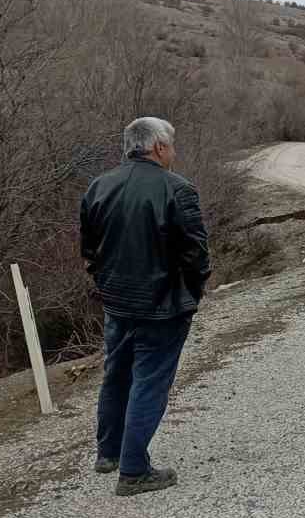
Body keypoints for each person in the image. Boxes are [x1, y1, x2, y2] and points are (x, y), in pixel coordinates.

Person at [79, 116, 211, 496]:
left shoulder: (98, 186)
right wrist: (193, 292)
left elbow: (89, 250)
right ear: (157, 147)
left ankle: (109, 453)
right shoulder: (178, 189)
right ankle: (134, 470)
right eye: (171, 144)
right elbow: (196, 254)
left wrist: (105, 285)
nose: (174, 152)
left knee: (116, 374)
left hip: (116, 303)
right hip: (163, 305)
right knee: (150, 382)